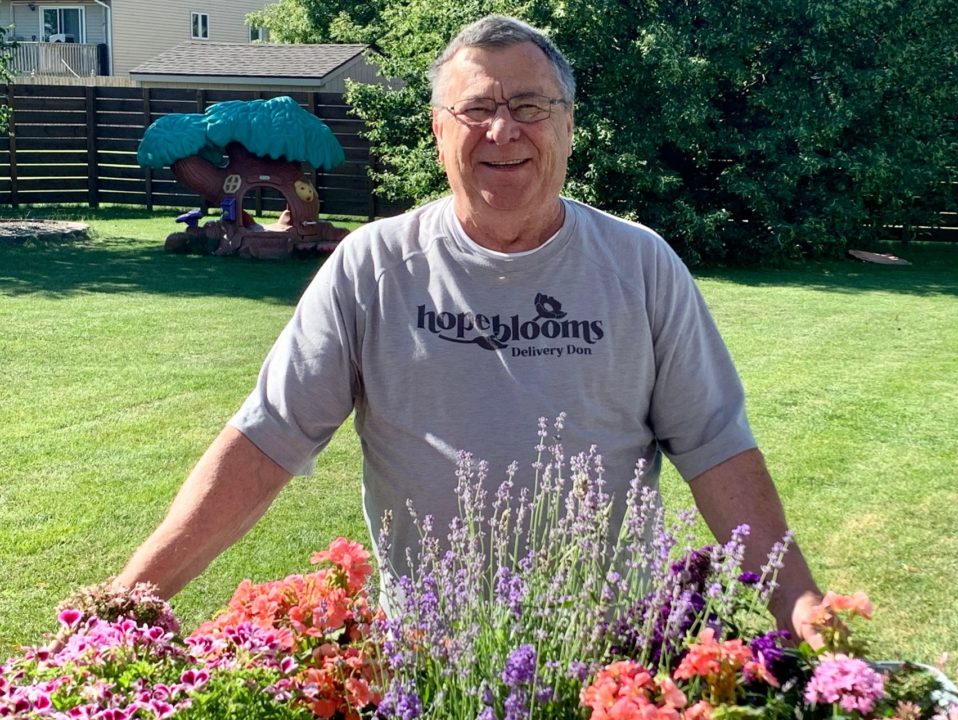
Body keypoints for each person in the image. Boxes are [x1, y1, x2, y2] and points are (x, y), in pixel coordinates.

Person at [116, 15, 825, 644]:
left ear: (568, 125)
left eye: (530, 106)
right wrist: (120, 610)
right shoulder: (374, 267)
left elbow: (718, 451)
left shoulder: (640, 265)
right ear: (438, 131)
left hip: (614, 660)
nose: (503, 130)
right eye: (477, 107)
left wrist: (809, 621)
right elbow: (265, 441)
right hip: (431, 665)